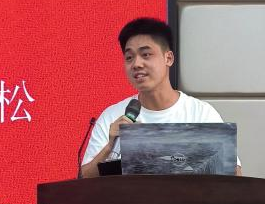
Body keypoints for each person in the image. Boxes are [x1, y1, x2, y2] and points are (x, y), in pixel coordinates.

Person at [80, 17, 241, 178]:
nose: (136, 64)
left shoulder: (200, 113)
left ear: (168, 58)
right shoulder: (112, 116)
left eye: (146, 54)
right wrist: (110, 147)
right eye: (129, 57)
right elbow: (84, 180)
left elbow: (235, 176)